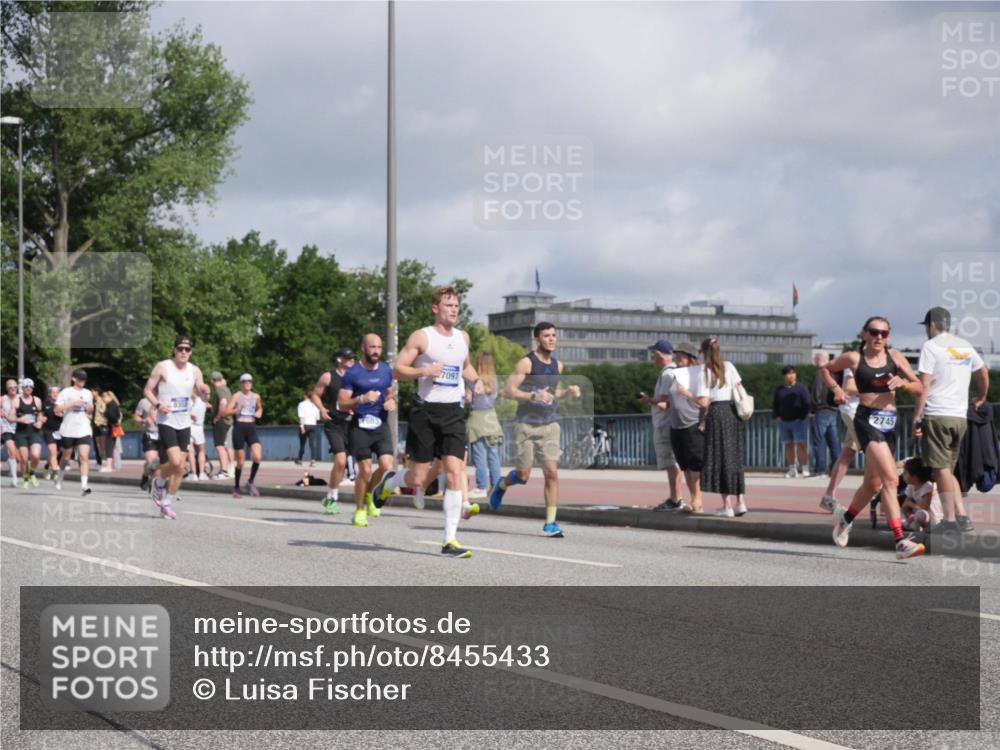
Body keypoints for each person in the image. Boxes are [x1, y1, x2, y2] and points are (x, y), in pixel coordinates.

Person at [369, 285, 484, 558]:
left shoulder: (463, 337)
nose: (454, 309)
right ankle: (389, 482)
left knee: (454, 471)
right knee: (418, 478)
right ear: (435, 308)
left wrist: (476, 380)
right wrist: (424, 371)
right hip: (426, 412)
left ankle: (450, 540)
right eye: (448, 305)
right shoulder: (422, 337)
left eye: (456, 305)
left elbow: (465, 366)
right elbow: (397, 370)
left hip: (453, 413)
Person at [822, 316, 925, 559]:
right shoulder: (854, 358)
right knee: (891, 479)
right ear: (865, 334)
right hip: (866, 421)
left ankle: (845, 519)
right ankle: (900, 541)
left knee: (873, 484)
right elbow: (826, 369)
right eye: (874, 332)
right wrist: (836, 389)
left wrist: (904, 384)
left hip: (889, 423)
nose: (879, 337)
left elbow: (920, 387)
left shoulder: (895, 357)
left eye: (884, 333)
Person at [488, 322, 582, 538]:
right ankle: (502, 484)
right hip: (526, 426)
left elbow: (552, 393)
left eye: (554, 335)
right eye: (546, 336)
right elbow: (507, 391)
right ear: (537, 339)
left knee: (552, 473)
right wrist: (532, 396)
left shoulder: (558, 366)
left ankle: (550, 523)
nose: (551, 339)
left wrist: (567, 391)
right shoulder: (526, 363)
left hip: (550, 425)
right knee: (523, 475)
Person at [912, 306, 989, 534]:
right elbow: (983, 371)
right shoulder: (964, 345)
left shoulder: (931, 346)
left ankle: (949, 520)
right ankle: (962, 516)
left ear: (931, 325)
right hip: (959, 417)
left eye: (926, 326)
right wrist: (982, 397)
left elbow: (924, 385)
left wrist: (917, 416)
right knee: (947, 469)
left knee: (941, 470)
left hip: (938, 414)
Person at [143, 336, 211, 519]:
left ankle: (167, 502)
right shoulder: (163, 367)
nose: (183, 352)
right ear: (174, 350)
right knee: (175, 462)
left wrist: (205, 390)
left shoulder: (194, 370)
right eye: (180, 348)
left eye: (187, 349)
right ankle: (158, 481)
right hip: (167, 420)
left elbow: (200, 389)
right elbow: (147, 390)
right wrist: (158, 405)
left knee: (180, 467)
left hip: (185, 422)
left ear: (191, 352)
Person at [339, 334, 396, 527]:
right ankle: (359, 510)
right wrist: (361, 399)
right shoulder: (352, 373)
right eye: (372, 347)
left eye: (379, 347)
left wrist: (390, 401)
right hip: (360, 426)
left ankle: (371, 492)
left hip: (380, 424)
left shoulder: (386, 370)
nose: (376, 351)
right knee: (364, 470)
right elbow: (342, 403)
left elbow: (389, 393)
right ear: (363, 348)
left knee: (387, 465)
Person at [688, 338, 747, 516]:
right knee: (734, 456)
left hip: (716, 413)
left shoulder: (704, 372)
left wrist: (687, 393)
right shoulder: (729, 366)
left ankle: (726, 505)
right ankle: (740, 502)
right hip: (731, 412)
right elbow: (738, 387)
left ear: (704, 352)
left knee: (720, 457)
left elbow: (704, 402)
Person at [659, 342, 705, 514]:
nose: (678, 357)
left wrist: (704, 421)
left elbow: (705, 400)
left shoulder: (697, 374)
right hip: (676, 425)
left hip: (692, 423)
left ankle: (697, 500)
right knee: (685, 465)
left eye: (682, 355)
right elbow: (672, 399)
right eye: (677, 354)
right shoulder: (676, 375)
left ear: (691, 357)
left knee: (694, 464)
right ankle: (693, 499)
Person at [638, 339, 683, 510]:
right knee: (676, 462)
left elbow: (664, 403)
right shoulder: (677, 371)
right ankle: (677, 497)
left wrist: (648, 400)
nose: (652, 358)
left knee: (670, 463)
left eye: (653, 354)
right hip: (676, 422)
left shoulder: (666, 375)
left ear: (659, 354)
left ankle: (675, 498)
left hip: (665, 423)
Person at [311, 348, 356, 515]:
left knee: (345, 463)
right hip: (334, 424)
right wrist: (322, 409)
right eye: (348, 358)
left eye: (353, 358)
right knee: (341, 460)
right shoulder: (328, 376)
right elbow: (315, 394)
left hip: (352, 424)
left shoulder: (356, 376)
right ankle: (334, 498)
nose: (351, 361)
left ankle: (329, 495)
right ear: (339, 359)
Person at [818, 366, 860, 513]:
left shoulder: (882, 360)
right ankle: (885, 499)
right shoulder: (855, 359)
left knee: (847, 454)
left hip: (868, 412)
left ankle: (828, 496)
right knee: (876, 454)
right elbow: (849, 387)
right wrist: (876, 387)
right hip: (855, 412)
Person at [466, 352, 502, 499]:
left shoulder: (473, 381)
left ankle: (481, 487)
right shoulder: (495, 381)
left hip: (477, 418)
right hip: (491, 417)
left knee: (479, 455)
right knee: (493, 454)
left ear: (479, 364)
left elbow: (468, 399)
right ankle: (497, 486)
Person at [54, 368, 95, 495]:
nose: (82, 381)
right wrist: (72, 404)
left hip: (83, 428)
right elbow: (57, 409)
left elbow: (90, 410)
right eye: (80, 379)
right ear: (74, 379)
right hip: (68, 429)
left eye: (84, 379)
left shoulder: (88, 393)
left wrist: (89, 408)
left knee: (83, 457)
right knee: (66, 456)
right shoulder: (66, 392)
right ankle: (60, 476)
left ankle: (84, 485)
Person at [224, 373, 263, 499]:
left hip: (251, 427)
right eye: (245, 381)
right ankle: (236, 487)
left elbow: (260, 408)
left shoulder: (256, 396)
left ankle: (250, 482)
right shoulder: (236, 396)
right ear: (241, 383)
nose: (247, 383)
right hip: (239, 428)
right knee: (240, 462)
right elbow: (226, 412)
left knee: (257, 457)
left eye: (249, 381)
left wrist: (259, 413)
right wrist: (238, 410)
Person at [773, 365, 811, 478]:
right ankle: (792, 470)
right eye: (788, 373)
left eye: (793, 373)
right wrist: (777, 416)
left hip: (798, 421)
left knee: (801, 444)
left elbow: (807, 403)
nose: (791, 375)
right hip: (784, 422)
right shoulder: (779, 389)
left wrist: (802, 417)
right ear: (784, 376)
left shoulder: (801, 388)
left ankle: (805, 469)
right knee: (788, 445)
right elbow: (775, 404)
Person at [810, 352, 842, 476]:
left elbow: (816, 391)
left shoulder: (820, 372)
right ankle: (836, 469)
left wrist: (814, 407)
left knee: (818, 441)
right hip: (833, 410)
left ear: (818, 359)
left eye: (815, 358)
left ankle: (820, 469)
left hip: (821, 409)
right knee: (834, 442)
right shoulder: (833, 373)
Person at [10, 378, 44, 487]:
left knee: (35, 455)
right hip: (21, 433)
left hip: (34, 432)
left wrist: (40, 422)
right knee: (24, 459)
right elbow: (10, 418)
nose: (28, 388)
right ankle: (25, 479)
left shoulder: (37, 400)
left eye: (30, 387)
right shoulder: (17, 401)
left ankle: (32, 472)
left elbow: (40, 415)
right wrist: (19, 419)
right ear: (22, 388)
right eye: (26, 387)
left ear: (33, 388)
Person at [899, 457, 942, 533]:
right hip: (919, 511)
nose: (903, 475)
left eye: (905, 473)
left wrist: (910, 504)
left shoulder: (927, 486)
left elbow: (924, 508)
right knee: (902, 511)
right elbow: (905, 505)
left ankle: (923, 526)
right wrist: (910, 514)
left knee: (921, 514)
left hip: (932, 516)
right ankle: (913, 523)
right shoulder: (911, 486)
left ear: (914, 477)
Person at [133, 395, 160, 493]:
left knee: (159, 463)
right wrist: (143, 420)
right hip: (150, 434)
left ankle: (146, 476)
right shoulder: (144, 401)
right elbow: (136, 416)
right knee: (152, 462)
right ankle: (154, 486)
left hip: (164, 435)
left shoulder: (166, 398)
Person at [209, 372, 233, 479]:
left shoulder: (219, 390)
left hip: (221, 421)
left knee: (219, 446)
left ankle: (224, 471)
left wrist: (217, 417)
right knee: (226, 446)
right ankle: (227, 469)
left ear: (212, 381)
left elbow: (223, 403)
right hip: (228, 420)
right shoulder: (227, 389)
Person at [42, 385, 63, 481]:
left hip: (60, 431)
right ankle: (55, 472)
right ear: (49, 394)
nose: (55, 394)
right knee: (53, 451)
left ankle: (47, 466)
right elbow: (40, 414)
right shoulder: (45, 404)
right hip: (48, 430)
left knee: (56, 452)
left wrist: (62, 414)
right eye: (53, 392)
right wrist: (40, 419)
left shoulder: (62, 404)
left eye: (57, 392)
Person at [2, 379, 20, 486]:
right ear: (7, 388)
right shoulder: (3, 399)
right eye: (10, 387)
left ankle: (11, 465)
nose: (13, 389)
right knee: (12, 450)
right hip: (6, 429)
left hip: (19, 429)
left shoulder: (20, 399)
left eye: (15, 387)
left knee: (17, 456)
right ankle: (14, 479)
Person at [296, 391, 321, 466]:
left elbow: (302, 416)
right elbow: (317, 418)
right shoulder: (315, 405)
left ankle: (300, 459)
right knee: (312, 444)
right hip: (313, 425)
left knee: (302, 443)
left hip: (305, 425)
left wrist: (302, 426)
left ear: (305, 396)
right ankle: (313, 459)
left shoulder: (301, 404)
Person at [187, 392, 208, 480]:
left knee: (190, 451)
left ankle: (193, 473)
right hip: (199, 427)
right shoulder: (203, 403)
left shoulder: (188, 402)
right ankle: (202, 473)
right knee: (201, 450)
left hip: (189, 426)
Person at [101, 390, 123, 472]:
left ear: (109, 397)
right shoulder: (113, 404)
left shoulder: (111, 405)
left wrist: (104, 413)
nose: (103, 399)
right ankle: (111, 465)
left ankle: (109, 466)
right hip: (113, 427)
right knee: (111, 446)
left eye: (104, 397)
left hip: (112, 427)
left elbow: (113, 417)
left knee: (109, 446)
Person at [92, 386, 107, 470]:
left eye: (92, 391)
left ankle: (103, 462)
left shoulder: (101, 400)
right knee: (96, 445)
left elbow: (104, 410)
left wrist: (102, 411)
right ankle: (99, 461)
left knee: (102, 445)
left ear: (96, 392)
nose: (91, 393)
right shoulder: (93, 401)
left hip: (101, 424)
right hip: (94, 424)